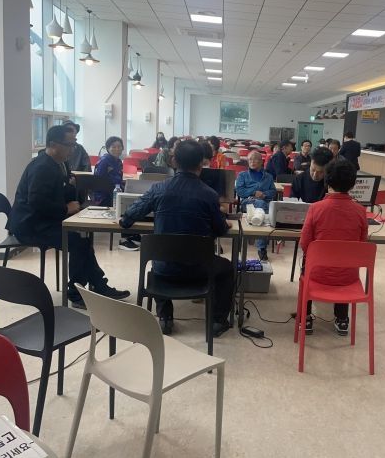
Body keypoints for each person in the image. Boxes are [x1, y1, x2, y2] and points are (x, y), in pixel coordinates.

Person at [119, 140, 233, 336]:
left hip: (165, 270)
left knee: (159, 260)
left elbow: (128, 217)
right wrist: (225, 223)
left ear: (173, 162)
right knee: (227, 268)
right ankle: (217, 321)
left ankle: (165, 318)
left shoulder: (158, 188)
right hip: (200, 269)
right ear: (201, 164)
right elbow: (220, 230)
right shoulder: (209, 195)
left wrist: (126, 220)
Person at [7, 125, 130, 309]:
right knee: (79, 243)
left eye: (75, 144)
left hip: (45, 220)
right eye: (69, 145)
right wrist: (65, 209)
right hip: (31, 225)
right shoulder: (42, 167)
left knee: (83, 241)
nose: (73, 149)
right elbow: (37, 202)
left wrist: (71, 188)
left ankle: (97, 285)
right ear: (53, 145)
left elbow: (64, 192)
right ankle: (78, 293)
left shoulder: (60, 163)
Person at [299, 159, 368, 336]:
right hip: (348, 278)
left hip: (317, 275)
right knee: (345, 262)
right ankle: (342, 319)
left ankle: (305, 318)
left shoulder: (315, 209)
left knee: (307, 263)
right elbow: (362, 245)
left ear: (327, 181)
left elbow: (305, 244)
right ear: (352, 184)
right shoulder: (361, 211)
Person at [93, 136, 140, 251]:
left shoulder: (118, 161)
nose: (116, 149)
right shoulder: (104, 161)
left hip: (115, 193)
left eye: (119, 147)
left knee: (133, 202)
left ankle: (131, 233)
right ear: (108, 148)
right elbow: (98, 182)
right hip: (103, 196)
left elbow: (117, 179)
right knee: (125, 206)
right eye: (113, 147)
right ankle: (125, 239)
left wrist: (124, 186)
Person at [236, 150, 276, 261]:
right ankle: (262, 248)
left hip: (264, 202)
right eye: (250, 159)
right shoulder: (242, 175)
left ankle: (258, 238)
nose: (252, 162)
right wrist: (254, 192)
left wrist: (263, 194)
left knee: (265, 206)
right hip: (247, 202)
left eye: (255, 159)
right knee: (263, 206)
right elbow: (239, 191)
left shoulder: (268, 177)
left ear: (261, 162)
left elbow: (273, 192)